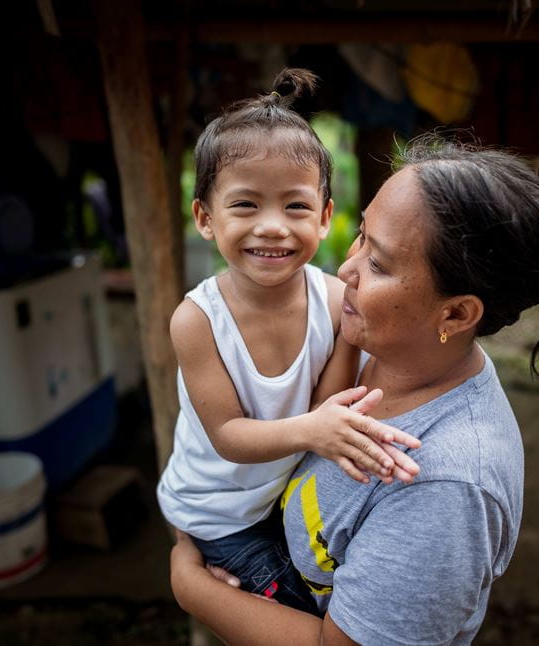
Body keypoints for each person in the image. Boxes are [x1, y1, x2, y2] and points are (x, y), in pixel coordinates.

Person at [170, 136, 539, 644]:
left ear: (456, 313)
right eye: (362, 236)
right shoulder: (373, 339)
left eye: (378, 264)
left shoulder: (445, 487)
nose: (344, 268)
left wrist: (191, 585)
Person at [157, 69, 421, 614]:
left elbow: (327, 407)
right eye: (246, 205)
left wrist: (348, 331)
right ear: (205, 218)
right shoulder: (197, 320)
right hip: (219, 513)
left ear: (326, 218)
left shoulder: (331, 300)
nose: (273, 226)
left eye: (296, 206)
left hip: (281, 495)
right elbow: (229, 435)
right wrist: (315, 431)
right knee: (301, 612)